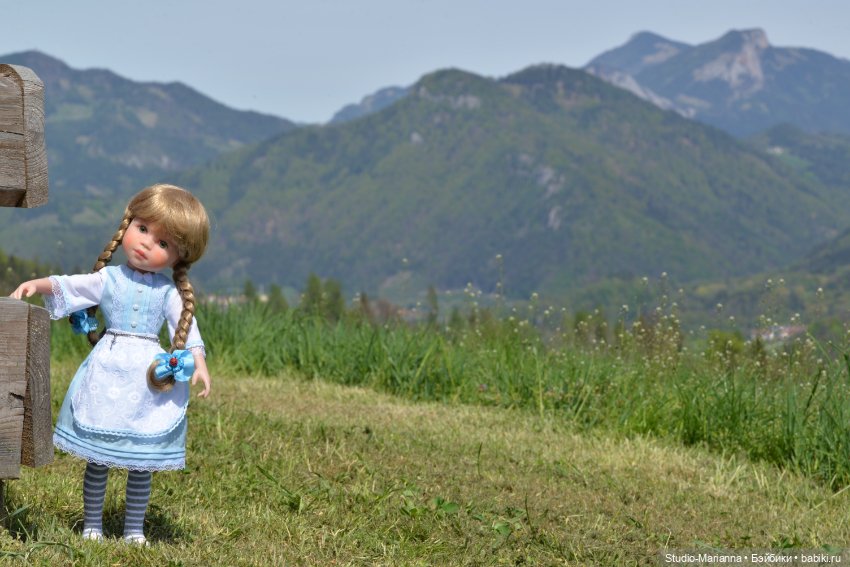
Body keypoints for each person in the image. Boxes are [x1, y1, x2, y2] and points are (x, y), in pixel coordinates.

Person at [10, 183, 211, 545]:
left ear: (178, 258)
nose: (148, 243)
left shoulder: (167, 293)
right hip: (108, 373)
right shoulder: (109, 279)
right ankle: (92, 524)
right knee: (98, 458)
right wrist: (36, 285)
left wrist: (198, 362)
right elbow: (73, 286)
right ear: (128, 225)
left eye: (163, 243)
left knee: (140, 461)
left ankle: (134, 528)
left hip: (148, 383)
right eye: (144, 229)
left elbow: (186, 325)